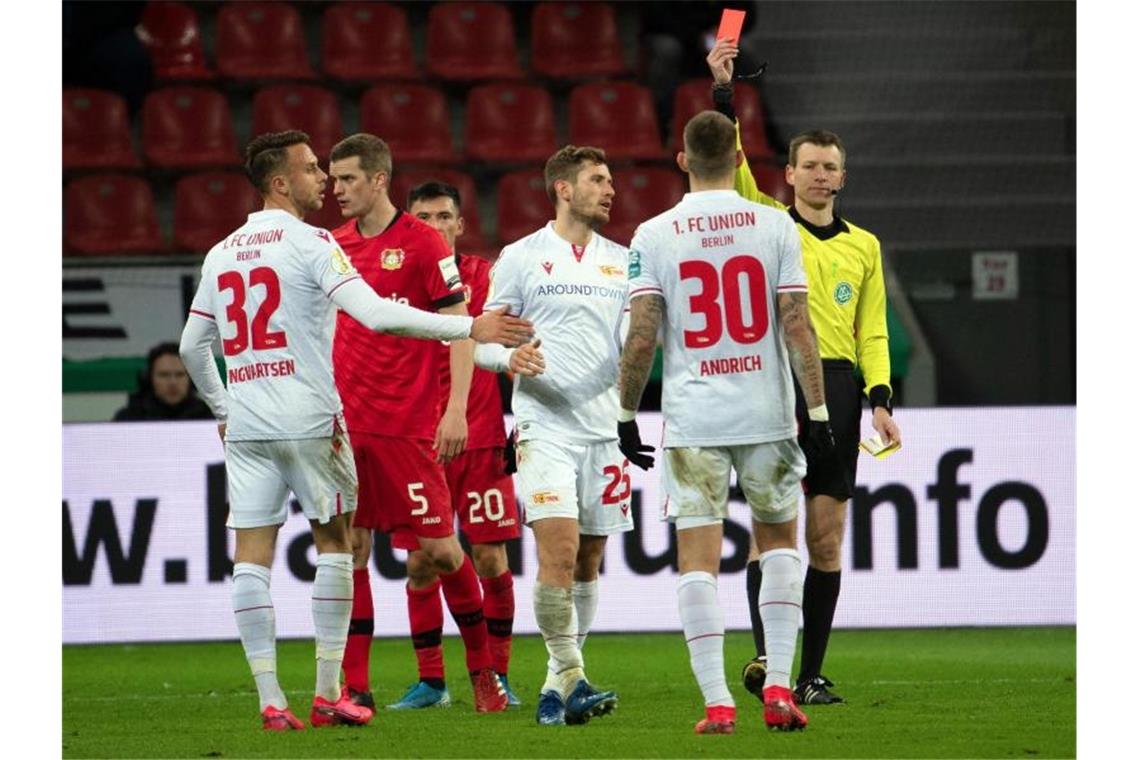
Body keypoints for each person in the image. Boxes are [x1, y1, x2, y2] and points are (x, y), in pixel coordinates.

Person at [178, 130, 532, 731]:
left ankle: (271, 700)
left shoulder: (220, 252)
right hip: (319, 419)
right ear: (282, 182)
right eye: (314, 170)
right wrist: (472, 325)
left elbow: (192, 346)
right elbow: (373, 312)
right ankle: (330, 692)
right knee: (338, 547)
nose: (325, 181)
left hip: (252, 424)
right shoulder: (317, 243)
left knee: (251, 561)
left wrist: (223, 410)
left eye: (334, 172)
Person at [618, 110, 834, 734]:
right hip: (766, 413)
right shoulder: (775, 226)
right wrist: (816, 411)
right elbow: (798, 324)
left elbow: (641, 338)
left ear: (682, 161)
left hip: (695, 418)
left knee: (697, 561)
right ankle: (778, 690)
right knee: (780, 546)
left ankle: (717, 703)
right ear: (740, 160)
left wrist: (627, 413)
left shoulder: (653, 234)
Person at [707, 39, 903, 705]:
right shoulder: (764, 222)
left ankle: (810, 670)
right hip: (778, 383)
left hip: (843, 388)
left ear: (841, 178)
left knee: (826, 534)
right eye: (810, 166)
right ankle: (770, 657)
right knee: (772, 527)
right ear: (787, 175)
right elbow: (728, 170)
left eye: (831, 168)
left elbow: (872, 326)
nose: (821, 176)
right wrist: (725, 95)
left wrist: (880, 396)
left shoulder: (864, 246)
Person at [327, 134, 509, 714]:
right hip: (347, 425)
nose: (337, 191)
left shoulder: (424, 243)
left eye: (348, 179)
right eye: (332, 180)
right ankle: (355, 685)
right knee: (348, 548)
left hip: (408, 426)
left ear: (379, 179)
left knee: (441, 552)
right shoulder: (331, 246)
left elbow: (461, 329)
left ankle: (482, 672)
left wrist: (455, 408)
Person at [479, 145, 633, 727]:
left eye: (611, 178)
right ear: (564, 189)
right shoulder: (521, 256)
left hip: (604, 429)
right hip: (544, 426)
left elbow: (633, 341)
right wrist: (509, 359)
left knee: (590, 559)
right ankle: (573, 675)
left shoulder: (624, 260)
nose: (610, 188)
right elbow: (483, 335)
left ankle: (555, 685)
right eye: (598, 179)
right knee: (559, 553)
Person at [388, 180, 544, 709]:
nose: (435, 225)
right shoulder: (392, 283)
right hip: (415, 439)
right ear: (410, 224)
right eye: (424, 217)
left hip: (478, 437)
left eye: (444, 216)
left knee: (491, 558)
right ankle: (431, 680)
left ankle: (494, 676)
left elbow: (520, 336)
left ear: (460, 224)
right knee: (419, 563)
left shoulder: (486, 277)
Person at [113, 342, 214, 421]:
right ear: (149, 379)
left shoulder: (208, 418)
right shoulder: (129, 419)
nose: (173, 382)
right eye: (164, 375)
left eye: (180, 375)